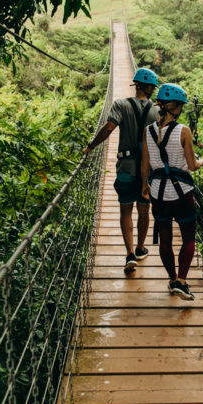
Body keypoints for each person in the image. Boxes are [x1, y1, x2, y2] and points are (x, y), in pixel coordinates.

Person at [140, 83, 203, 300]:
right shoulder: (183, 131)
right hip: (182, 194)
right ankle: (181, 280)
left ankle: (172, 280)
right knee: (189, 237)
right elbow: (191, 165)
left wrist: (145, 184)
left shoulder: (148, 131)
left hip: (158, 193)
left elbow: (146, 165)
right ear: (178, 108)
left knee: (165, 239)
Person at [84, 68, 160, 273]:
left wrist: (91, 146)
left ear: (136, 85)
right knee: (144, 209)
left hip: (125, 166)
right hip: (148, 170)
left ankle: (129, 255)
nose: (153, 90)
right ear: (149, 87)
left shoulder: (121, 104)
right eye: (153, 86)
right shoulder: (158, 111)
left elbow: (108, 128)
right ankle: (141, 248)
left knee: (125, 209)